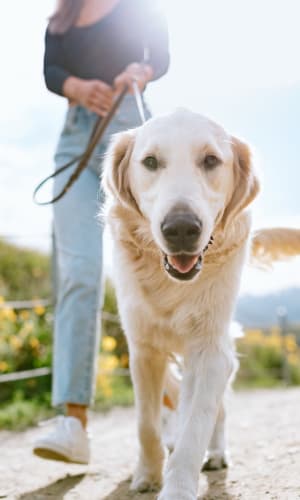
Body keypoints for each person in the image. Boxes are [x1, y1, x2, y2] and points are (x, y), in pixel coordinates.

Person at [33, 0, 169, 464]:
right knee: (80, 272)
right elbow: (52, 70)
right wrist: (75, 85)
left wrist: (141, 69)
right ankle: (73, 423)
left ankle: (173, 397)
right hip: (74, 139)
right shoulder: (62, 17)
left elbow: (162, 55)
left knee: (154, 265)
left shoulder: (139, 7)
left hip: (131, 133)